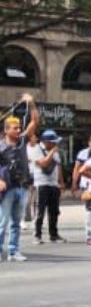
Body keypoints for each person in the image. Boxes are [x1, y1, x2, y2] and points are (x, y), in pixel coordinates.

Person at [0, 93, 39, 261]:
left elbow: (35, 121)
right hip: (7, 188)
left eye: (19, 128)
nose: (18, 130)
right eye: (15, 128)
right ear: (6, 130)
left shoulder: (22, 141)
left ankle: (14, 251)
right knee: (2, 223)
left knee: (16, 223)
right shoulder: (0, 147)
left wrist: (31, 103)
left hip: (22, 187)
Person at [31, 129, 64, 244]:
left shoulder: (55, 152)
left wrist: (61, 182)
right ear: (45, 142)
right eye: (53, 142)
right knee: (40, 211)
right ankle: (37, 235)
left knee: (54, 211)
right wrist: (52, 152)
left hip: (53, 184)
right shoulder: (37, 150)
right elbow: (43, 163)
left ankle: (53, 234)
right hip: (41, 184)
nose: (55, 144)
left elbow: (58, 166)